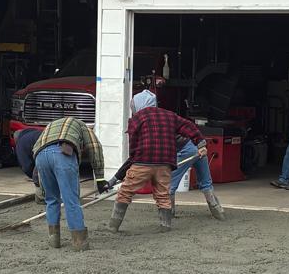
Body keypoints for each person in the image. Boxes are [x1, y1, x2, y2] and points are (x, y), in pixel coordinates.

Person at [110, 97, 205, 232]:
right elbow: (189, 126)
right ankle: (165, 226)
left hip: (143, 161)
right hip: (165, 163)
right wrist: (201, 144)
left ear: (137, 106)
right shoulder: (170, 115)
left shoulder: (137, 119)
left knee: (125, 192)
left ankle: (113, 227)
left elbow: (133, 154)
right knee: (163, 194)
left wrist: (117, 177)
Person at [130, 88, 223, 220]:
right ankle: (217, 211)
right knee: (206, 182)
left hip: (185, 150)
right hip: (195, 146)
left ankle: (169, 213)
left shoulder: (147, 123)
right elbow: (189, 126)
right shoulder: (165, 116)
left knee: (169, 184)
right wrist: (201, 144)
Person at [32, 115, 107, 250]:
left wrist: (41, 189)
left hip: (40, 155)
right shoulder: (82, 125)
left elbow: (41, 155)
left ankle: (54, 240)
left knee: (51, 199)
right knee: (71, 201)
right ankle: (79, 243)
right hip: (62, 153)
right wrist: (100, 178)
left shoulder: (51, 125)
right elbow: (94, 147)